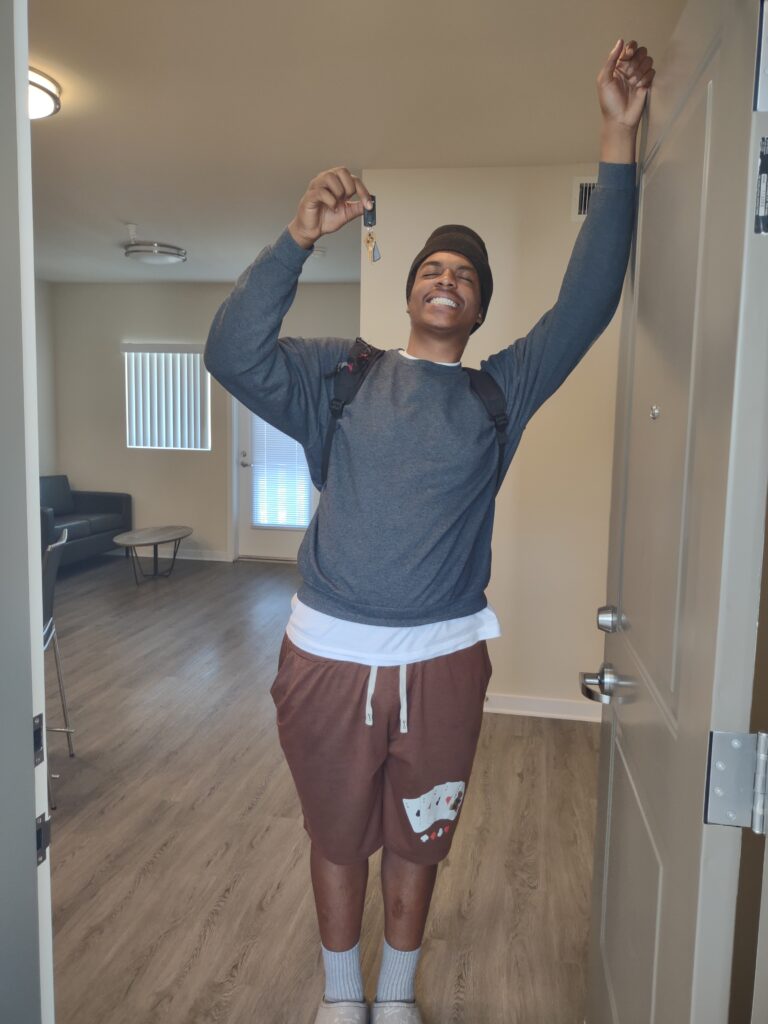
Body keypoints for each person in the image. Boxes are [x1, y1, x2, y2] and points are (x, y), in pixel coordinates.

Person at [204, 37, 655, 1024]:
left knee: (419, 835)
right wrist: (295, 237)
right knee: (336, 836)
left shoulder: (501, 392)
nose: (447, 278)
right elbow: (232, 355)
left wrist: (616, 140)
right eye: (432, 267)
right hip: (326, 657)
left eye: (465, 273)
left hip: (446, 660)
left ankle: (397, 996)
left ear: (479, 302)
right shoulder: (347, 374)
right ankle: (339, 999)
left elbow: (588, 298)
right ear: (411, 288)